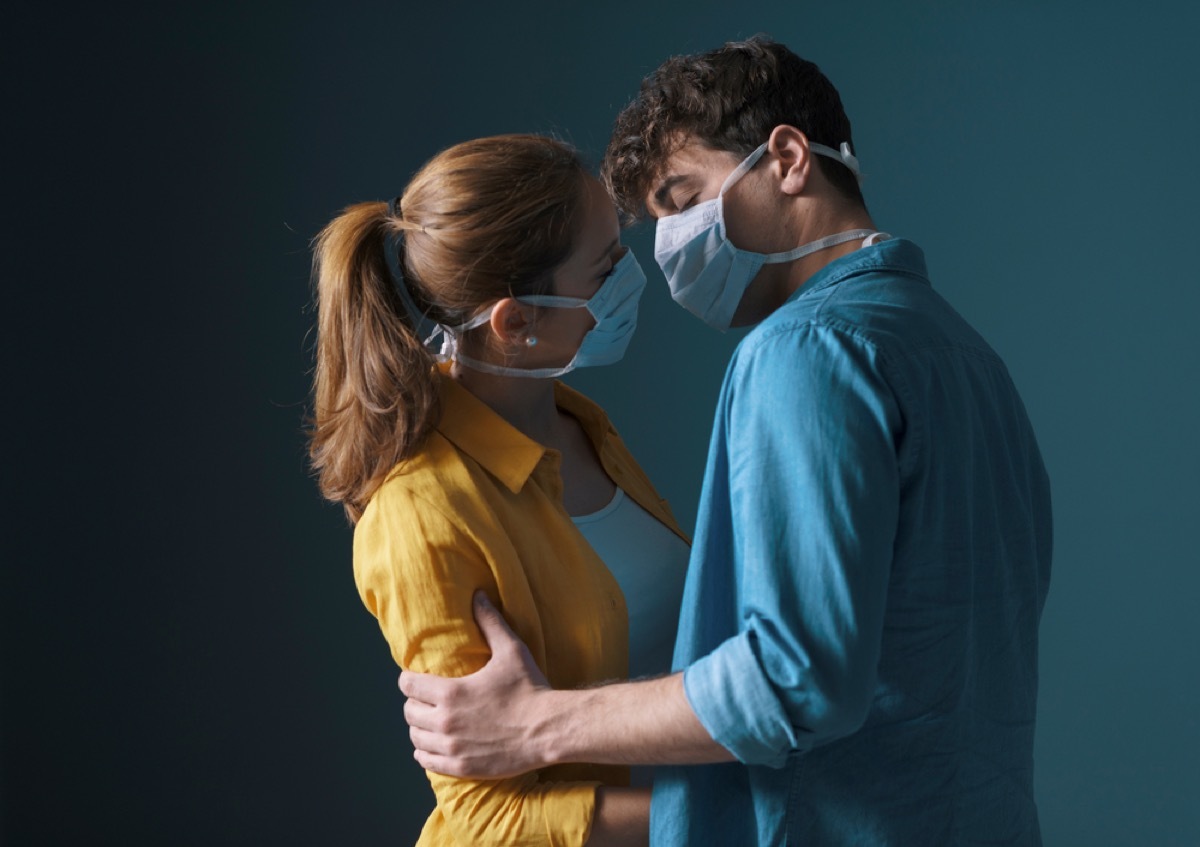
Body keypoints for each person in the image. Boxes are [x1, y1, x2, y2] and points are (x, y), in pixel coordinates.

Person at [399, 37, 1053, 846]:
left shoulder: (804, 352)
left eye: (683, 198)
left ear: (786, 159)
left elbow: (794, 679)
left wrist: (537, 724)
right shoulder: (963, 354)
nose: (670, 245)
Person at [308, 134, 692, 846]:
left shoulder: (579, 423)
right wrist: (741, 823)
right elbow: (490, 820)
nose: (631, 280)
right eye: (605, 269)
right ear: (516, 322)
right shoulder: (420, 516)